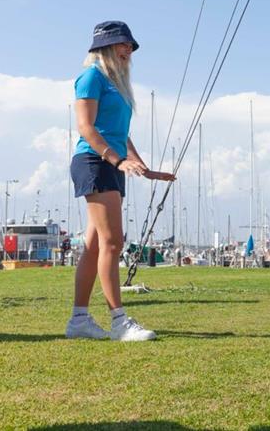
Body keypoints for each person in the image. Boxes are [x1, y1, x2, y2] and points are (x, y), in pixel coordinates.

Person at [66, 21, 175, 342]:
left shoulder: (118, 84)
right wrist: (117, 160)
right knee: (113, 242)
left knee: (95, 245)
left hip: (110, 164)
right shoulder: (91, 77)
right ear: (103, 47)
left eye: (130, 45)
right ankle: (119, 322)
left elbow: (120, 133)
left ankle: (79, 320)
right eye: (121, 44)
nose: (128, 49)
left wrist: (142, 166)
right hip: (93, 162)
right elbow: (86, 128)